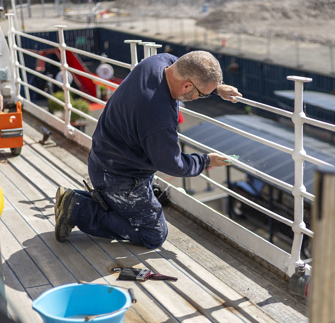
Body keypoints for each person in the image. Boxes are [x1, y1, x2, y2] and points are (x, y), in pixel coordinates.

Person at [55, 50, 242, 249]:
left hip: (104, 158)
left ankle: (86, 200)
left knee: (140, 207)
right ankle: (78, 208)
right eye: (202, 94)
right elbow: (173, 164)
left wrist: (216, 88)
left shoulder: (158, 63)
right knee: (153, 234)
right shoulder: (157, 114)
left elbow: (185, 65)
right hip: (119, 177)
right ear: (187, 85)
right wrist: (206, 161)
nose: (200, 98)